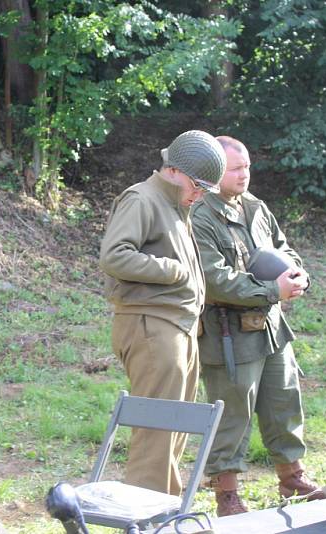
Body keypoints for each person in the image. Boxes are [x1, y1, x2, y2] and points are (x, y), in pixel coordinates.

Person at [191, 136, 321, 516]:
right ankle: (227, 494)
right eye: (235, 168)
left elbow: (284, 248)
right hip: (229, 332)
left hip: (271, 328)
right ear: (215, 172)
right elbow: (214, 279)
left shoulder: (256, 207)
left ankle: (292, 476)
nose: (244, 174)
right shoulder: (201, 216)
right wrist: (272, 289)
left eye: (247, 166)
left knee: (284, 401)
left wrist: (297, 275)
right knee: (232, 413)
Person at [99, 130, 226, 495]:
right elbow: (114, 256)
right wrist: (172, 270)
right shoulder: (143, 199)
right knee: (156, 433)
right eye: (198, 185)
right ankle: (146, 519)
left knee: (175, 427)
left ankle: (166, 511)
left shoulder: (174, 204)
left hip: (177, 328)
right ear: (174, 170)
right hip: (152, 327)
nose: (200, 195)